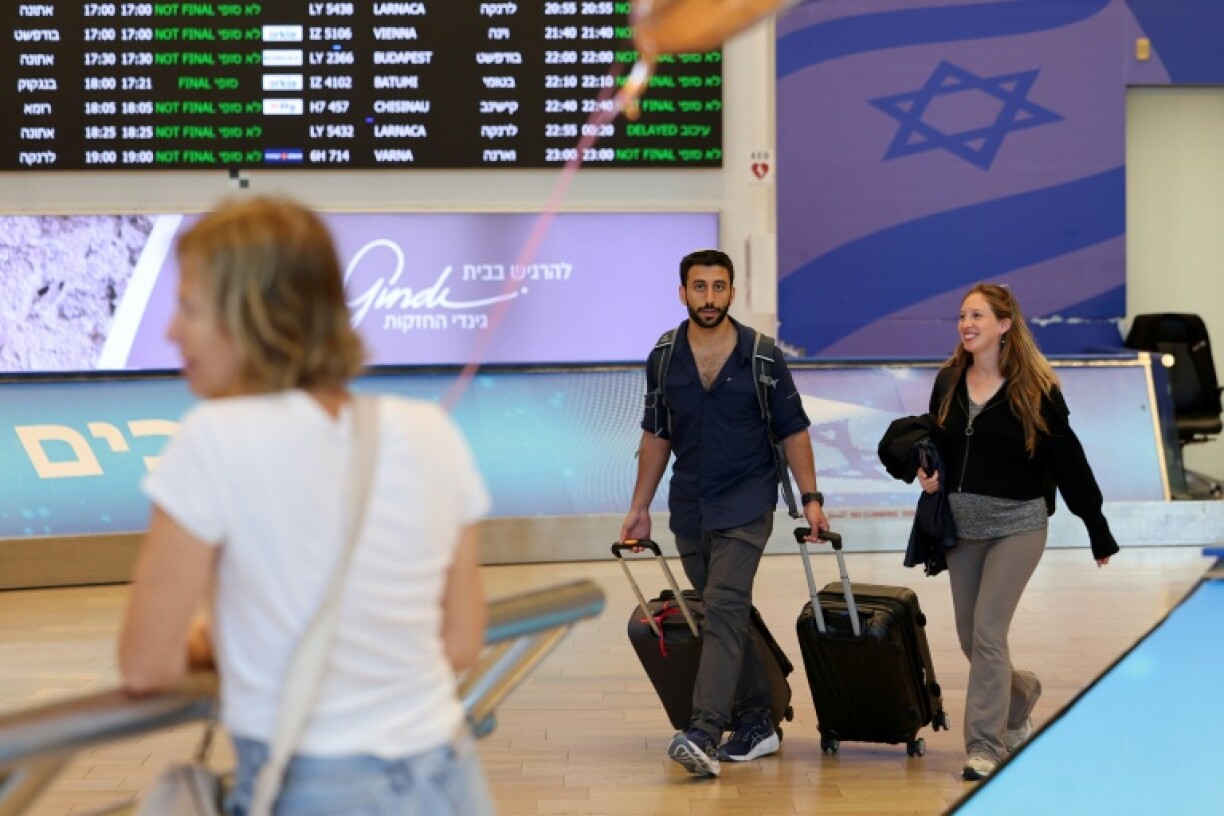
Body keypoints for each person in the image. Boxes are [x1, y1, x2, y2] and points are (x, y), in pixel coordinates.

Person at [117, 197, 496, 815]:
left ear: (251, 317)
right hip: (448, 779)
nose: (170, 331)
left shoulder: (211, 439)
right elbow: (458, 643)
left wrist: (212, 641)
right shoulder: (430, 431)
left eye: (188, 308)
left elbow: (145, 665)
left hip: (315, 789)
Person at [619, 248, 829, 777]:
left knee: (726, 604)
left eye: (718, 287)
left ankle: (705, 731)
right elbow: (656, 434)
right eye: (699, 287)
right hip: (689, 508)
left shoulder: (761, 355)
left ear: (732, 292)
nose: (709, 298)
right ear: (683, 292)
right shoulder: (665, 356)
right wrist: (639, 506)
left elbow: (793, 429)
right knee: (722, 613)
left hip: (746, 502)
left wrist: (811, 500)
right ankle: (758, 720)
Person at [916, 283, 1119, 782]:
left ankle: (986, 745)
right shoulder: (947, 382)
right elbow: (936, 444)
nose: (967, 324)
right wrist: (926, 471)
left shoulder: (1036, 391)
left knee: (987, 631)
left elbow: (1069, 461)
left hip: (1018, 525)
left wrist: (1096, 527)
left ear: (1004, 325)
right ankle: (1022, 691)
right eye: (963, 315)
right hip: (961, 526)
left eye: (978, 316)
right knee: (970, 637)